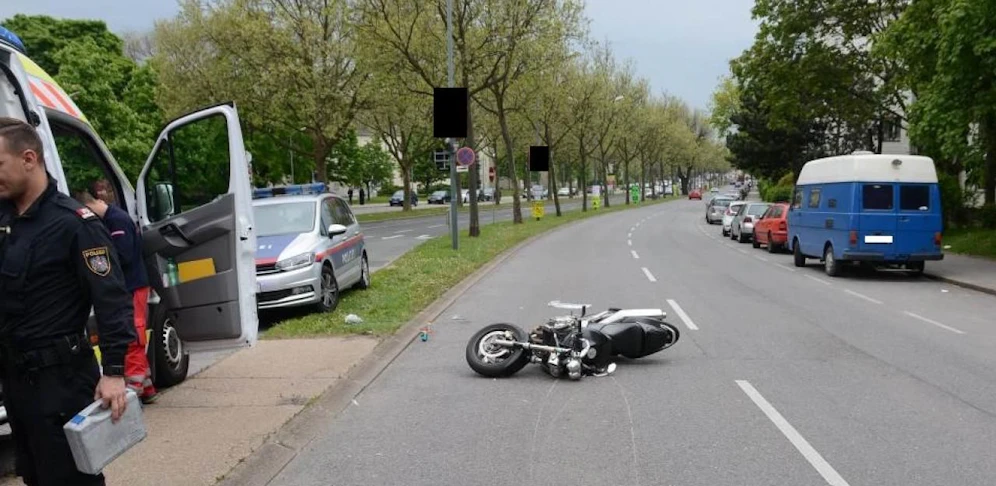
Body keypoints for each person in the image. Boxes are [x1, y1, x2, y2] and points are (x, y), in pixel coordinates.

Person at [0, 117, 136, 485]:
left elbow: (112, 300)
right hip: (18, 382)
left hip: (62, 382)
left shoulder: (75, 224)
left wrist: (113, 372)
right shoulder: (6, 222)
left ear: (29, 159)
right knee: (35, 476)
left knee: (72, 480)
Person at [76, 187, 158, 404]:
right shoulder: (113, 219)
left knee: (132, 337)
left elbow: (122, 256)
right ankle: (146, 386)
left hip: (130, 286)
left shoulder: (116, 221)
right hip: (130, 286)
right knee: (134, 334)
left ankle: (134, 391)